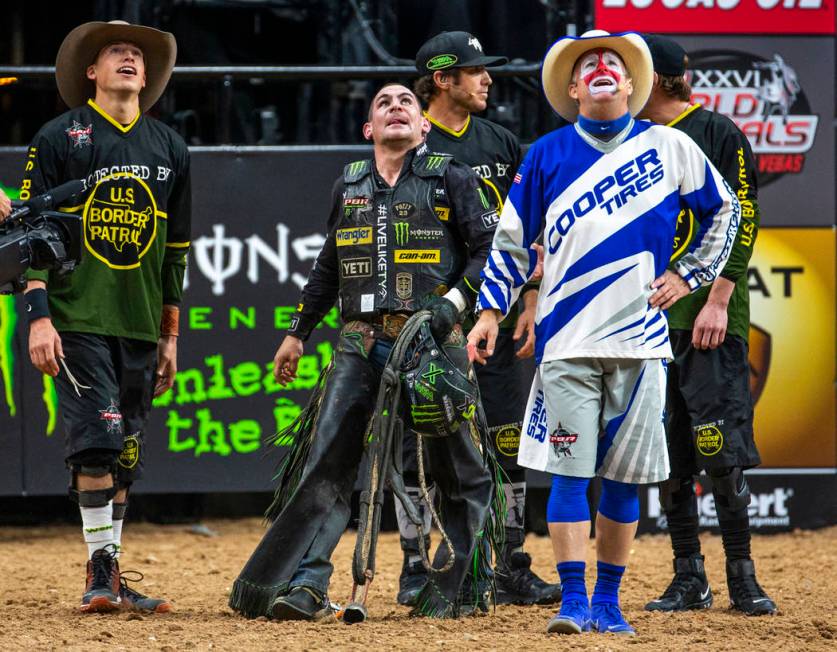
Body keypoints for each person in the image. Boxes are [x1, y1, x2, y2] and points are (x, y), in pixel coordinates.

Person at [468, 30, 740, 636]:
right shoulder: (543, 153)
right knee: (569, 477)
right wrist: (490, 313)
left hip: (641, 344)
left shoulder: (670, 146)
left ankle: (609, 604)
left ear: (631, 83)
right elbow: (510, 244)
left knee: (622, 481)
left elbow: (728, 210)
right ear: (571, 87)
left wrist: (687, 273)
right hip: (566, 344)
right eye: (587, 63)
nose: (600, 69)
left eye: (611, 62)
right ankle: (572, 602)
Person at [229, 83, 496, 621]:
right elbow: (328, 266)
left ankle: (453, 587)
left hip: (433, 342)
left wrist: (453, 304)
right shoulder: (348, 184)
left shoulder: (452, 176)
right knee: (325, 462)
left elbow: (488, 254)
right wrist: (297, 331)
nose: (395, 105)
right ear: (369, 130)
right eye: (383, 103)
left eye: (406, 102)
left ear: (424, 126)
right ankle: (305, 584)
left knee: (460, 467)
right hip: (359, 341)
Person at [21, 21, 191, 613]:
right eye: (116, 51)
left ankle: (111, 572)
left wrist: (170, 335)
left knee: (126, 451)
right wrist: (38, 318)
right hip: (78, 315)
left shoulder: (170, 146)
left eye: (138, 56)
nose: (129, 58)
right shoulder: (58, 136)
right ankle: (100, 569)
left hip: (141, 322)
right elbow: (30, 239)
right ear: (91, 72)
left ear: (147, 77)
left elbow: (176, 251)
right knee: (97, 440)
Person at [392, 30, 559, 608]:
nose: (487, 78)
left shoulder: (502, 140)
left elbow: (530, 227)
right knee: (425, 444)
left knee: (509, 438)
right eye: (475, 69)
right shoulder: (410, 141)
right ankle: (417, 566)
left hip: (504, 314)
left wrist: (531, 299)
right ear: (442, 80)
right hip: (435, 322)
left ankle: (511, 562)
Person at [639, 34, 776, 617]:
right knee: (668, 454)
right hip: (647, 325)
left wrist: (719, 298)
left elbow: (743, 214)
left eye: (631, 71)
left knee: (720, 448)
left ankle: (742, 576)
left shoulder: (717, 131)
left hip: (707, 320)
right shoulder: (631, 141)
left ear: (657, 79)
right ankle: (687, 575)